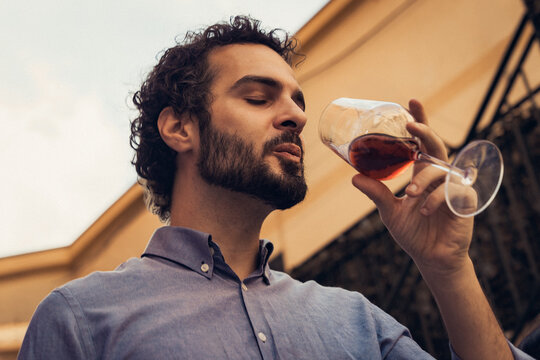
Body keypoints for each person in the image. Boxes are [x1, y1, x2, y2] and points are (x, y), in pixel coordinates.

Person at [18, 16, 533, 360]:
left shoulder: (356, 322)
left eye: (296, 102)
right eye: (260, 98)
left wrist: (447, 267)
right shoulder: (82, 321)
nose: (296, 117)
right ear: (180, 129)